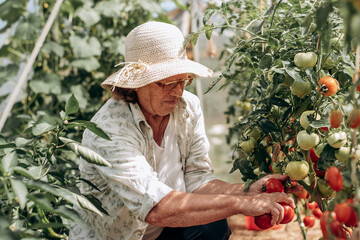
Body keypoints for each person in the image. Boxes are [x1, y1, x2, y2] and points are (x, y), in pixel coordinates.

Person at [69, 21, 296, 240]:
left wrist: (246, 191)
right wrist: (240, 204)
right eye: (168, 83)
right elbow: (155, 207)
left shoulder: (187, 107)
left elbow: (197, 179)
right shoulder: (109, 130)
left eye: (184, 80)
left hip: (164, 232)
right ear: (136, 83)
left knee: (212, 227)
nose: (178, 92)